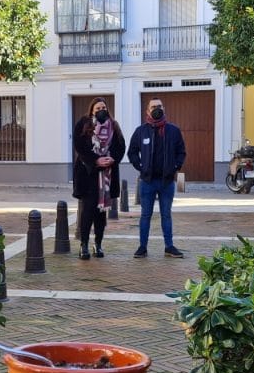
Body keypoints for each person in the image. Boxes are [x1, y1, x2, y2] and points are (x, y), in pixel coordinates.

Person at [127, 97, 186, 258]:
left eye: (159, 106)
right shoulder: (141, 131)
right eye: (153, 106)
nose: (156, 109)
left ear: (164, 109)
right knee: (146, 215)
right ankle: (142, 247)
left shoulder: (173, 130)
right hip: (147, 182)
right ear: (147, 111)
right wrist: (140, 166)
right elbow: (132, 152)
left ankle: (169, 247)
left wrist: (176, 166)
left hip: (167, 182)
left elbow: (181, 151)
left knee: (166, 214)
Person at [72, 97, 125, 259]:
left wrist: (112, 158)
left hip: (106, 176)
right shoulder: (84, 124)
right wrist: (96, 160)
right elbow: (79, 146)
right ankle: (84, 245)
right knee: (87, 212)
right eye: (97, 108)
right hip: (88, 175)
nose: (101, 110)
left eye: (103, 107)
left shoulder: (114, 126)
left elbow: (121, 146)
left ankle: (98, 244)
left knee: (101, 214)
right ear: (92, 110)